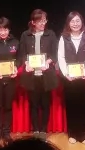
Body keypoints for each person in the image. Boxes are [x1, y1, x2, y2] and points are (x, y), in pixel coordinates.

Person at [18, 9, 59, 140]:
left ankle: (44, 130)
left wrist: (48, 61)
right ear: (33, 22)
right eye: (39, 21)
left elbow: (55, 53)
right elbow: (22, 53)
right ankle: (36, 129)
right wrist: (26, 63)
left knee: (46, 104)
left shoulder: (51, 34)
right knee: (34, 104)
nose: (42, 23)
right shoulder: (25, 35)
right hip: (31, 75)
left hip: (46, 75)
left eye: (44, 20)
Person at [57, 11, 85, 144]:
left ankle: (83, 133)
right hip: (69, 78)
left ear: (82, 22)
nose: (75, 24)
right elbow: (61, 57)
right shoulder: (64, 38)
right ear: (68, 23)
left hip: (84, 77)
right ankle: (72, 133)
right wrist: (65, 73)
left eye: (77, 21)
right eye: (72, 21)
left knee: (83, 104)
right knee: (71, 104)